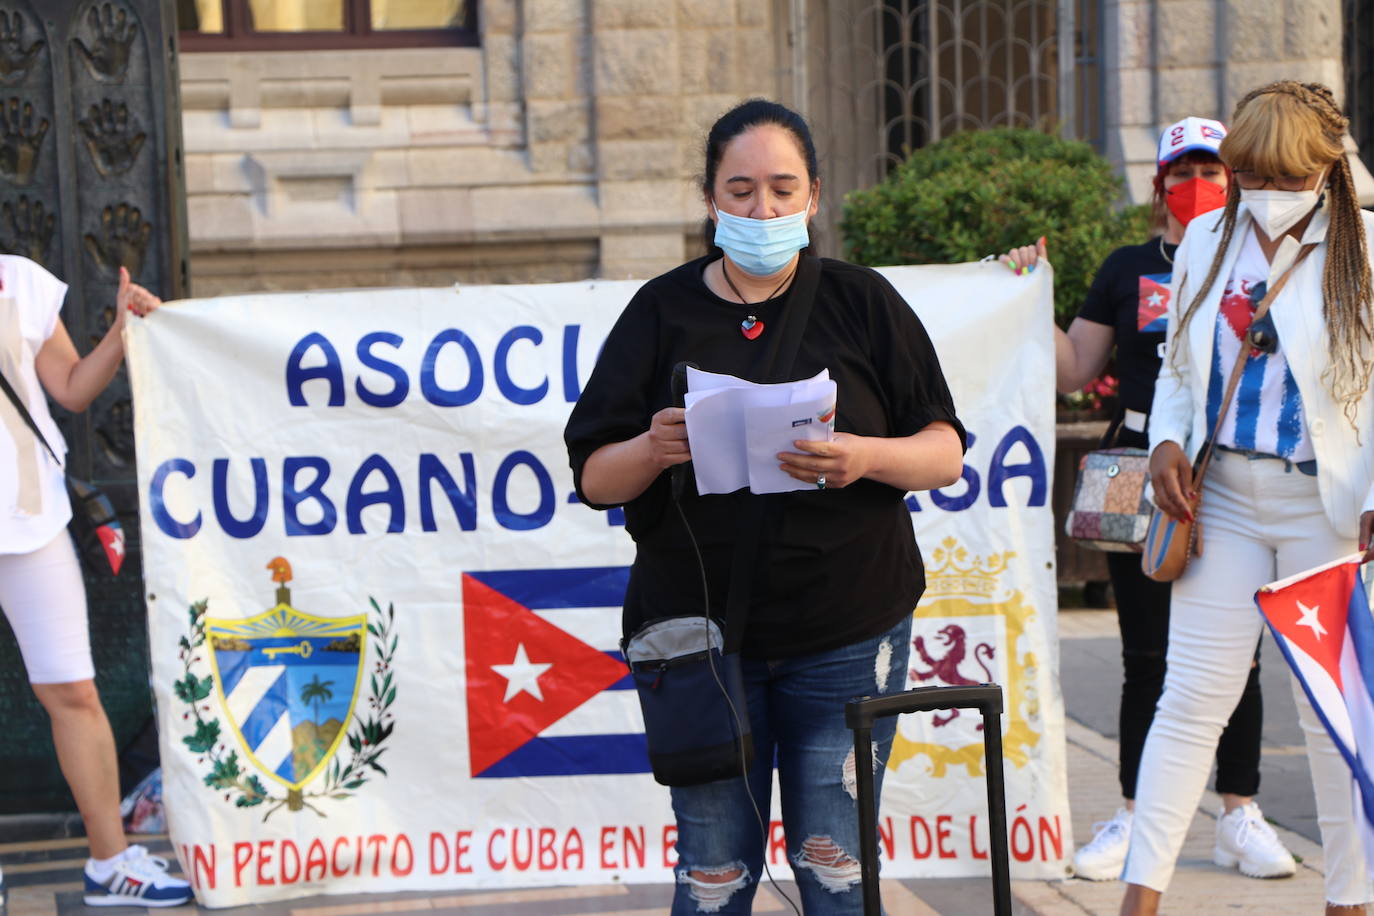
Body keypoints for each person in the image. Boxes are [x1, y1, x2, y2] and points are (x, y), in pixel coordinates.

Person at [564, 99, 966, 913]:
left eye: (783, 189)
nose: (763, 209)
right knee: (714, 873)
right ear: (709, 199)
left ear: (814, 196)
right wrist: (653, 447)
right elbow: (595, 477)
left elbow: (945, 451)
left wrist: (864, 458)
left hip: (846, 627)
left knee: (835, 866)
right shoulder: (660, 311)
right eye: (740, 190)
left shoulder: (862, 300)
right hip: (702, 638)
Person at [1003, 117, 1295, 881]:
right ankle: (1135, 816)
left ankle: (1240, 812)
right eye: (1183, 169)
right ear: (1159, 181)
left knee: (1242, 656)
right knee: (1147, 654)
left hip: (1232, 471)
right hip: (1139, 468)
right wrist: (1032, 289)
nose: (1198, 183)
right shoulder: (1129, 265)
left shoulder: (1260, 259)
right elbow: (1073, 369)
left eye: (1213, 168)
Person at [1119, 81, 1374, 916]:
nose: (1265, 191)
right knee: (1190, 699)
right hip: (1220, 496)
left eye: (1286, 176)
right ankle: (1139, 899)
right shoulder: (1205, 238)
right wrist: (1165, 440)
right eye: (1249, 174)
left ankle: (1349, 902)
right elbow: (1180, 368)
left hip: (1327, 511)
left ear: (1327, 169)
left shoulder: (1363, 247)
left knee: (1331, 721)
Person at [0, 257, 193, 908]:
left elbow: (73, 389)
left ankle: (111, 863)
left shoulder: (19, 282)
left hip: (31, 520)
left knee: (75, 691)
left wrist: (118, 331)